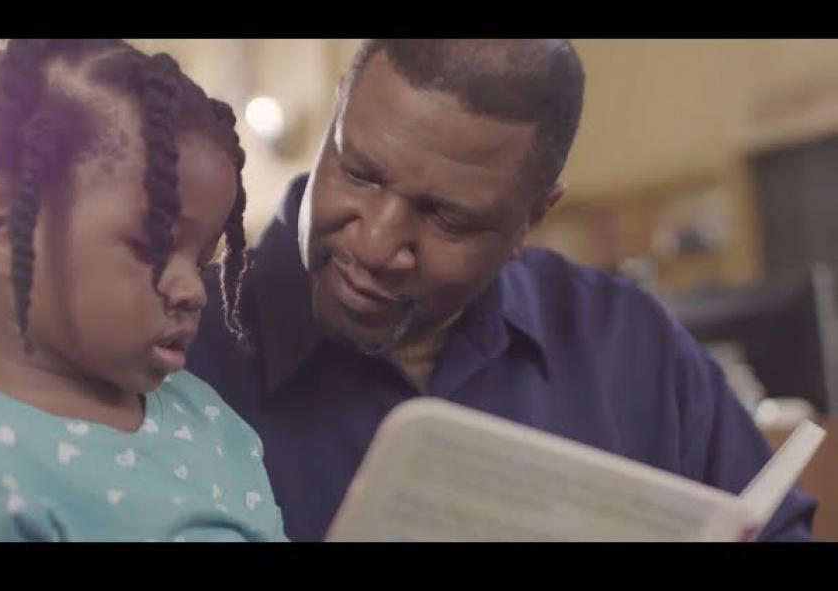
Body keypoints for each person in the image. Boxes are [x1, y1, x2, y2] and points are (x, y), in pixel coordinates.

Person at [187, 39, 816, 541]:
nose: (377, 245)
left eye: (447, 219)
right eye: (359, 172)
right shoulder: (172, 347)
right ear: (336, 119)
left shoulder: (629, 346)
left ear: (532, 219)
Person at [0, 39, 284, 541]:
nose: (194, 290)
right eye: (154, 246)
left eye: (205, 259)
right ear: (3, 229)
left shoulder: (203, 414)